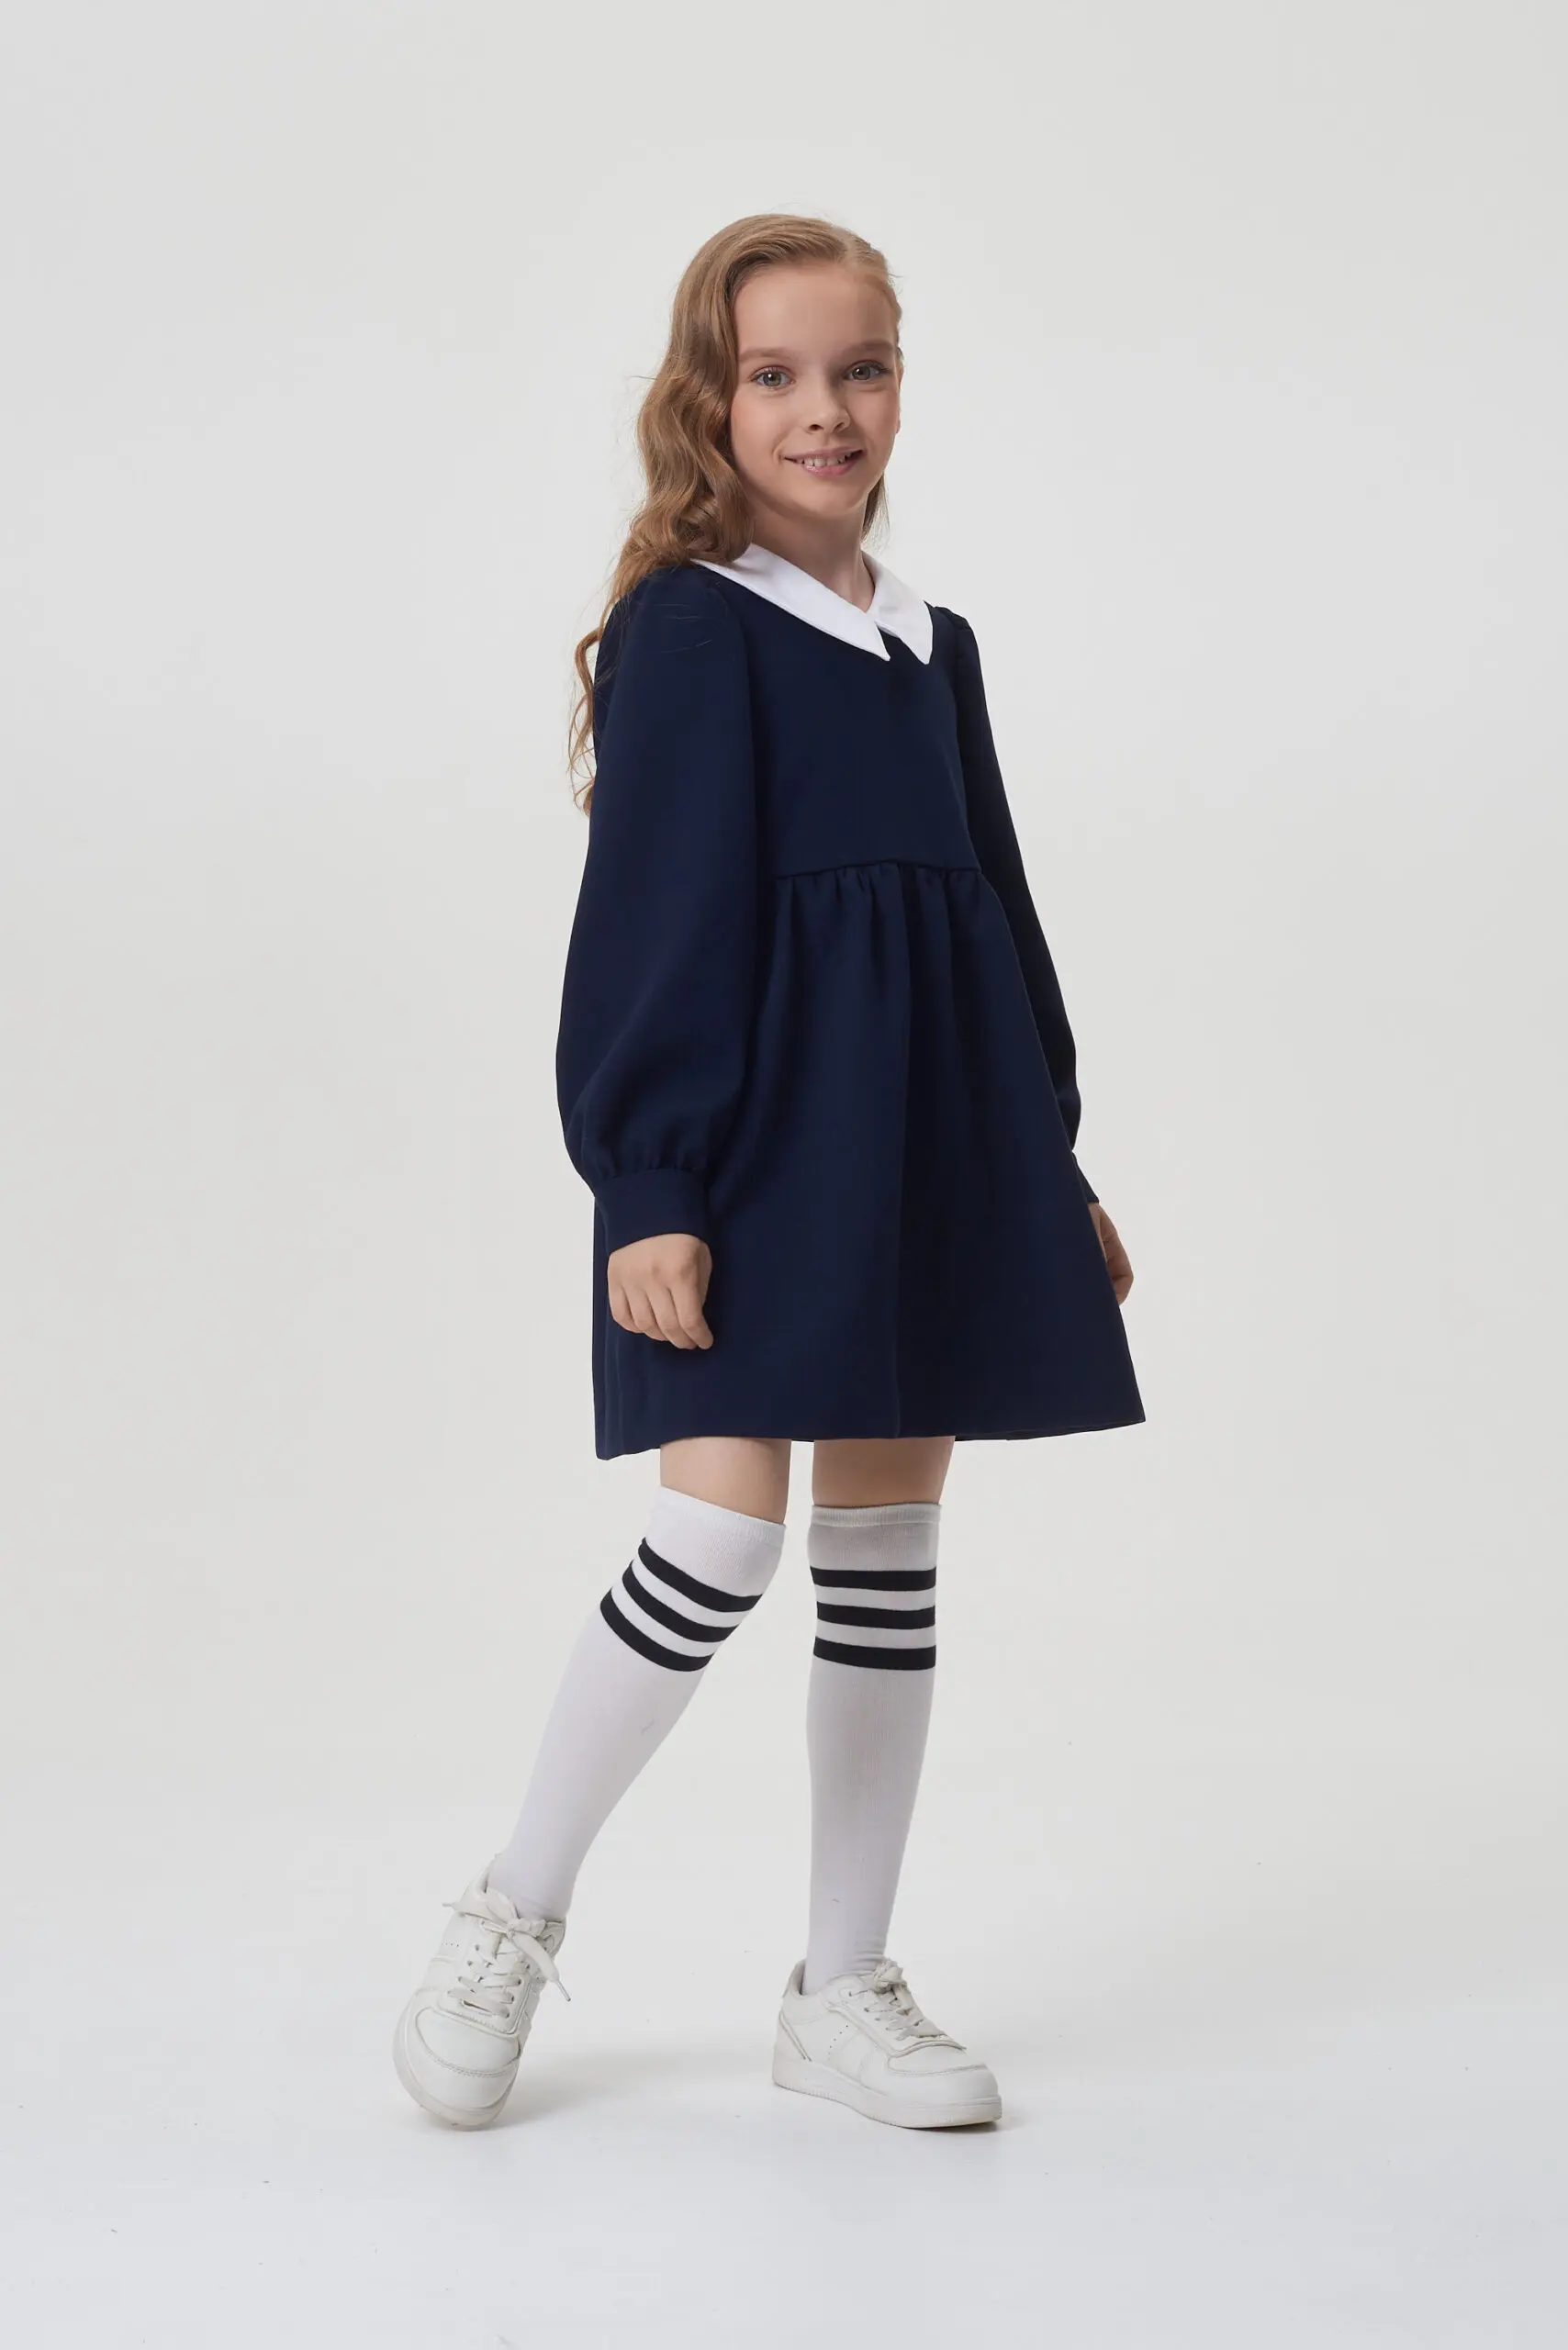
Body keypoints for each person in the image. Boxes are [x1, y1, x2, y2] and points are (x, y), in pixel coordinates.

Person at [393, 212, 1145, 2134]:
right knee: (716, 1540)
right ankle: (512, 1906)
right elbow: (652, 922)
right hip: (749, 1154)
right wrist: (650, 1182)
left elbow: (996, 916)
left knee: (886, 1552)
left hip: (933, 1144)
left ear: (902, 385)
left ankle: (842, 1981)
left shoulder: (932, 646)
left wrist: (1048, 1162)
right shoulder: (693, 626)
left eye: (860, 368)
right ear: (708, 401)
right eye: (778, 374)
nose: (826, 409)